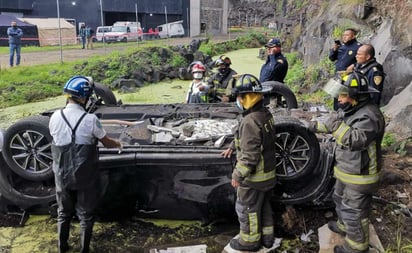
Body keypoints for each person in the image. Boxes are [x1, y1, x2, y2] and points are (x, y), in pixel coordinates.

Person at [308, 71, 385, 253]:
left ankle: (356, 247)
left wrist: (334, 125)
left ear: (355, 96)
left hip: (361, 175)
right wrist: (314, 126)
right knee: (339, 198)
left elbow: (355, 140)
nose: (339, 99)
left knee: (354, 212)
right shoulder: (353, 109)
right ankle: (344, 227)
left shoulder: (369, 116)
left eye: (343, 95)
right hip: (347, 171)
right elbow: (334, 123)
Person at [49, 76, 122, 253]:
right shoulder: (90, 120)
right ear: (83, 98)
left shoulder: (55, 117)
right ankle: (84, 250)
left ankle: (62, 247)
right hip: (85, 176)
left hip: (61, 174)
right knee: (86, 215)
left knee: (63, 212)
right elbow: (106, 142)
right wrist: (119, 144)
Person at [221, 74, 276, 252]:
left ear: (246, 97)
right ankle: (268, 238)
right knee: (264, 206)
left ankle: (249, 241)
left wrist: (238, 174)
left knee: (247, 209)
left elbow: (250, 154)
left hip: (254, 177)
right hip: (268, 174)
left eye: (239, 97)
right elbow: (250, 140)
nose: (237, 100)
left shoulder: (250, 121)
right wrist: (232, 145)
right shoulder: (264, 114)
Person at [329, 28, 362, 110]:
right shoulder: (341, 47)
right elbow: (332, 58)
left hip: (349, 77)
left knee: (346, 96)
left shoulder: (359, 47)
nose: (344, 37)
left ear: (353, 36)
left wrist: (354, 66)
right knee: (336, 96)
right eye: (343, 35)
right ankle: (336, 112)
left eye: (347, 35)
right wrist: (334, 50)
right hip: (338, 75)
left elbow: (363, 61)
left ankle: (346, 112)